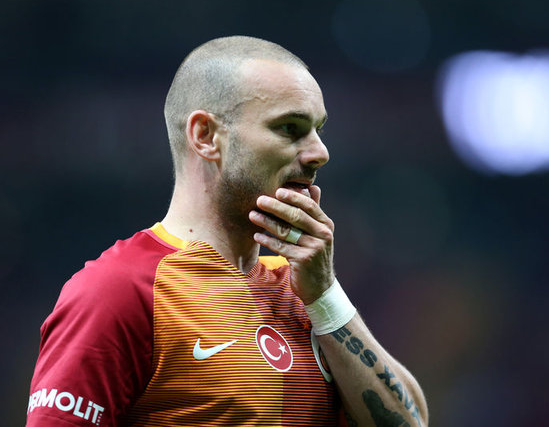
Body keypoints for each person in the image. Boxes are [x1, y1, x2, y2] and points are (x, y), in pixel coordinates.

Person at [26, 36, 428, 426]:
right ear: (206, 136)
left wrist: (324, 296)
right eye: (289, 128)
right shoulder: (120, 290)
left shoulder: (304, 290)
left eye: (318, 129)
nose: (319, 153)